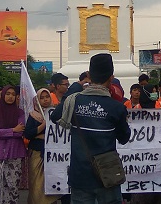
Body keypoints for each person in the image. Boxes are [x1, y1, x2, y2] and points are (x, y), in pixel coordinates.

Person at [51, 53, 131, 204]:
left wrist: (76, 85)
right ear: (111, 78)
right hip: (107, 175)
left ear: (89, 75)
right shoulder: (116, 107)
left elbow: (55, 116)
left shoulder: (74, 101)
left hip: (80, 176)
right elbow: (124, 138)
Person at [0, 86, 26, 204]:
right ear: (2, 95)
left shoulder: (20, 112)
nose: (10, 97)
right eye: (8, 94)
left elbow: (20, 132)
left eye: (13, 94)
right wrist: (13, 130)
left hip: (15, 152)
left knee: (13, 186)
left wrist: (5, 132)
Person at [24, 88, 58, 204]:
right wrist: (43, 125)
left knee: (51, 182)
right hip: (37, 153)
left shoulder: (56, 113)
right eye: (41, 98)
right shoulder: (33, 115)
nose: (45, 100)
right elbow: (28, 134)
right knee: (37, 183)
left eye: (47, 97)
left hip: (53, 155)